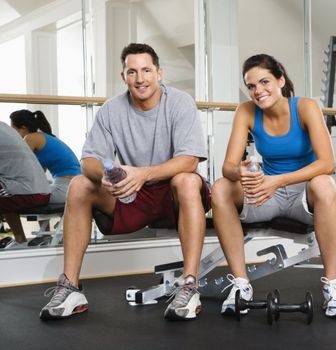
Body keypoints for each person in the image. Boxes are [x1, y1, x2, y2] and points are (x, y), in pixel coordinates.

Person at [40, 43, 210, 321]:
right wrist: (106, 175)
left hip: (173, 194)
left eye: (146, 70)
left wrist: (143, 173)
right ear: (124, 76)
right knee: (80, 184)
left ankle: (190, 285)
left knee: (187, 179)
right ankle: (70, 286)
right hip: (133, 195)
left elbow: (190, 160)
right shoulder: (111, 109)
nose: (140, 78)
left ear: (159, 73)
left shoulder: (180, 102)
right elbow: (88, 162)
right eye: (132, 72)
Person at [211, 54, 336, 318]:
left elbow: (327, 163)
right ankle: (241, 285)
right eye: (251, 86)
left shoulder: (306, 107)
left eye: (264, 82)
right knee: (220, 187)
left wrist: (277, 180)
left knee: (325, 184)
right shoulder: (246, 111)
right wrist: (239, 172)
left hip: (302, 194)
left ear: (280, 80)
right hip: (266, 196)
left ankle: (332, 285)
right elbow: (227, 167)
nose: (258, 91)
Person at [8, 109, 81, 243]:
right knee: (40, 186)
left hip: (66, 188)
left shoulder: (30, 138)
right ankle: (44, 235)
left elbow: (19, 168)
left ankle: (20, 240)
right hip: (72, 185)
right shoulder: (45, 137)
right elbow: (36, 175)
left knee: (8, 198)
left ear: (23, 128)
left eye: (13, 129)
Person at [0, 122, 51, 248]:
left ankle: (20, 241)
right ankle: (20, 240)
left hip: (28, 193)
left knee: (4, 191)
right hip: (42, 191)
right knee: (5, 190)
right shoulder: (4, 127)